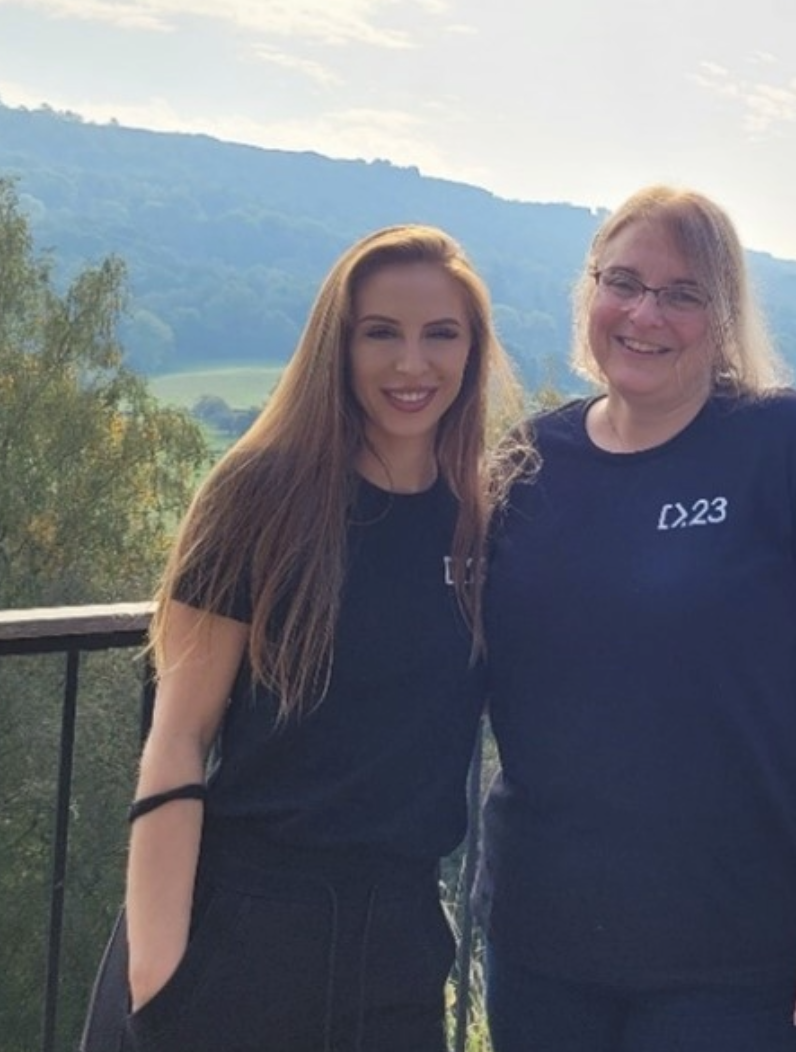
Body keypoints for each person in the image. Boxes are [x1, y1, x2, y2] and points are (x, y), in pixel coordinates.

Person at [478, 185, 796, 1052]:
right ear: (588, 293)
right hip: (543, 949)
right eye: (624, 282)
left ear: (723, 317)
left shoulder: (794, 448)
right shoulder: (527, 464)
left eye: (683, 293)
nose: (645, 314)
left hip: (750, 964)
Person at [79, 224, 527, 1052]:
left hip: (398, 940)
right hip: (242, 927)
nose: (411, 364)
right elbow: (177, 739)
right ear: (338, 344)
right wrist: (159, 975)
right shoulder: (262, 498)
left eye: (441, 335)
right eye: (380, 333)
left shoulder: (479, 524)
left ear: (472, 352)